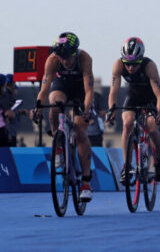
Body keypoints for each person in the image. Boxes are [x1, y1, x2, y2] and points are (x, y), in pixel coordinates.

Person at [32, 32, 96, 201]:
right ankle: (58, 142)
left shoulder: (84, 59)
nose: (65, 61)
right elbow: (45, 88)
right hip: (62, 86)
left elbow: (89, 90)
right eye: (62, 57)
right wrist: (38, 105)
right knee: (54, 104)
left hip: (81, 89)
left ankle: (86, 182)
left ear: (75, 53)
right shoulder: (53, 60)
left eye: (67, 57)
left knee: (80, 129)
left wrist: (87, 109)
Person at [106, 37, 160, 185]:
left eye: (134, 64)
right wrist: (111, 110)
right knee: (127, 124)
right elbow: (114, 91)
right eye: (128, 64)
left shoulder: (149, 66)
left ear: (141, 59)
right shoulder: (118, 65)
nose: (131, 68)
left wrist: (159, 112)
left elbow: (159, 94)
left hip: (150, 98)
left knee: (151, 128)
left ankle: (159, 160)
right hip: (132, 96)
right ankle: (126, 167)